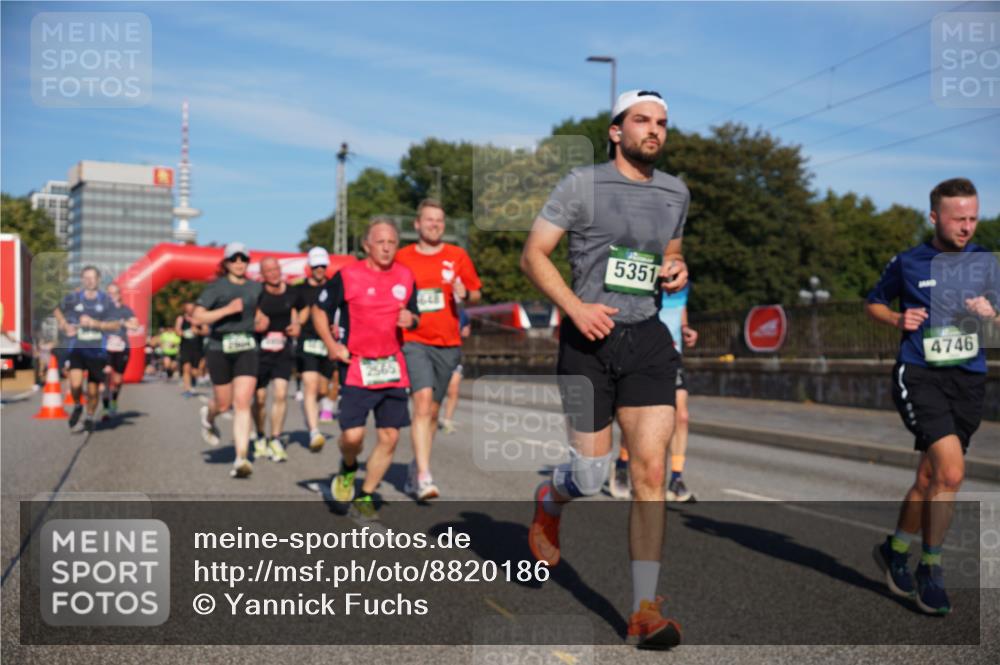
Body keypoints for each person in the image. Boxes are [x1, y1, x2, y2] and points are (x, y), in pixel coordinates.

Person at [520, 89, 689, 649]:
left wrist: (675, 269)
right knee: (589, 479)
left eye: (662, 123)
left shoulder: (675, 191)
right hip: (586, 340)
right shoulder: (582, 185)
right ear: (616, 130)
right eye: (642, 120)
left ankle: (643, 610)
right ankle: (551, 503)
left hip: (646, 339)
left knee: (649, 473)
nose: (654, 130)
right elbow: (534, 254)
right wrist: (574, 307)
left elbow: (672, 252)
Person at [867, 177, 999, 615]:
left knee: (930, 478)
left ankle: (895, 549)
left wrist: (991, 314)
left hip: (969, 380)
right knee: (953, 473)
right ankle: (931, 568)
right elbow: (874, 303)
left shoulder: (987, 262)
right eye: (958, 218)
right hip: (920, 374)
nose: (967, 227)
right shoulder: (908, 262)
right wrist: (897, 318)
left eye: (973, 218)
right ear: (934, 217)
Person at [313, 219, 420, 521]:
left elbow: (416, 316)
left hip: (392, 366)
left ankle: (367, 493)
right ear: (366, 245)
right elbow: (318, 311)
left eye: (392, 242)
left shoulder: (406, 276)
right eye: (381, 242)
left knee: (390, 437)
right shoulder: (347, 276)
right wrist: (332, 346)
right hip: (357, 366)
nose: (387, 248)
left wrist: (410, 320)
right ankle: (348, 467)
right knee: (353, 438)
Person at [396, 199, 482, 500]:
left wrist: (465, 293)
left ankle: (414, 467)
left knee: (432, 412)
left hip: (448, 343)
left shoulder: (457, 255)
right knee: (421, 403)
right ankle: (423, 475)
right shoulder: (402, 257)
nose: (435, 224)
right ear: (417, 224)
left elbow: (475, 292)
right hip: (413, 339)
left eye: (440, 220)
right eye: (429, 220)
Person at [609, 284, 699, 501]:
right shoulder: (647, 262)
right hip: (644, 351)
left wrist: (685, 327)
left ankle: (676, 479)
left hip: (671, 355)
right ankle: (622, 465)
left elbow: (680, 307)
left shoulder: (681, 276)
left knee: (682, 416)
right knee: (637, 418)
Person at [193, 242, 264, 478]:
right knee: (223, 404)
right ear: (226, 263)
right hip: (218, 347)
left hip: (247, 346)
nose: (239, 263)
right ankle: (209, 414)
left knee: (242, 402)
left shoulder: (256, 287)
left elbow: (261, 313)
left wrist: (263, 321)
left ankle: (241, 457)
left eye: (243, 258)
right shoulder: (216, 288)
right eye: (234, 259)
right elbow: (198, 316)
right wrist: (226, 311)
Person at [53, 266, 119, 433]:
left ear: (98, 280)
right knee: (75, 384)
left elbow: (116, 324)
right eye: (86, 277)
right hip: (77, 347)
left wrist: (95, 323)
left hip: (97, 350)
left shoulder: (106, 300)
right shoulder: (74, 298)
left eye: (93, 277)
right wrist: (64, 324)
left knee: (93, 390)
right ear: (82, 280)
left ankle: (89, 416)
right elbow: (57, 309)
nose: (90, 280)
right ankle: (77, 405)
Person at [251, 257, 299, 463]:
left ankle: (276, 438)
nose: (273, 273)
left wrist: (296, 326)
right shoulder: (257, 293)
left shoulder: (290, 292)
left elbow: (297, 315)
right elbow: (250, 318)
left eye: (275, 269)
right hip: (260, 352)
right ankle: (260, 435)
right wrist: (257, 324)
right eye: (268, 270)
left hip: (283, 350)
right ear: (262, 274)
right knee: (260, 399)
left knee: (280, 394)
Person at [294, 247, 337, 452]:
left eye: (323, 265)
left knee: (322, 390)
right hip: (308, 341)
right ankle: (314, 431)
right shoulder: (300, 290)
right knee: (310, 386)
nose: (320, 269)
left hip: (327, 343)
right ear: (310, 267)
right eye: (316, 266)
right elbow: (295, 318)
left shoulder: (333, 287)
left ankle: (310, 409)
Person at [102, 283, 140, 419]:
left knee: (117, 381)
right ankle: (105, 409)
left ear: (119, 295)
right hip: (105, 348)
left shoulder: (126, 310)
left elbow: (135, 325)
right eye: (109, 293)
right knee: (106, 375)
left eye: (115, 293)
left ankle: (113, 401)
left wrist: (123, 323)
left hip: (121, 348)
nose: (112, 296)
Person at [439, 307, 471, 434]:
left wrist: (464, 331)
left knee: (453, 389)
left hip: (454, 355)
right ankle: (430, 416)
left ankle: (447, 420)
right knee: (434, 390)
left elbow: (466, 331)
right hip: (435, 354)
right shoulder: (437, 310)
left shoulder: (462, 313)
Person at [176, 302, 209, 397]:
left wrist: (198, 331)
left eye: (192, 308)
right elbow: (177, 330)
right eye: (188, 308)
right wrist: (184, 333)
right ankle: (187, 389)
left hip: (198, 347)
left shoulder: (200, 319)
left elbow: (206, 331)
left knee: (196, 371)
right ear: (185, 309)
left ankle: (193, 380)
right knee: (186, 368)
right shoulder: (181, 318)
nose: (190, 310)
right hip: (185, 347)